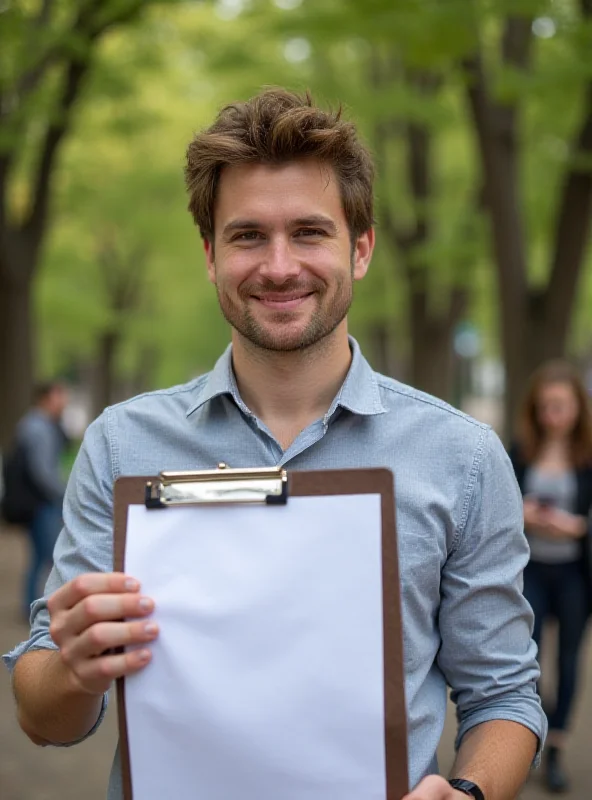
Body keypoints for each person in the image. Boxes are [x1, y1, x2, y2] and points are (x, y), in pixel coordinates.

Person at [3, 89, 546, 800]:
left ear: (361, 249)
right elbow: (47, 720)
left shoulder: (464, 458)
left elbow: (504, 693)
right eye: (248, 235)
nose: (280, 266)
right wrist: (72, 667)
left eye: (311, 233)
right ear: (210, 255)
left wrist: (470, 793)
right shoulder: (120, 445)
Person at [509, 360, 592, 793]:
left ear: (578, 407)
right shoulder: (520, 451)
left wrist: (577, 527)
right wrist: (520, 513)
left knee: (570, 658)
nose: (552, 416)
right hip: (531, 570)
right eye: (544, 407)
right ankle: (534, 736)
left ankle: (557, 746)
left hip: (576, 573)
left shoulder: (588, 454)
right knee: (530, 658)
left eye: (560, 406)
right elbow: (499, 506)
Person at [1, 381, 69, 619]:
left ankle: (31, 605)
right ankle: (35, 609)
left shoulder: (31, 424)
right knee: (46, 557)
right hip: (42, 504)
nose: (64, 402)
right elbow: (43, 471)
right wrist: (64, 494)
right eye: (59, 396)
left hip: (35, 502)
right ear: (46, 399)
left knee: (39, 556)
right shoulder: (40, 427)